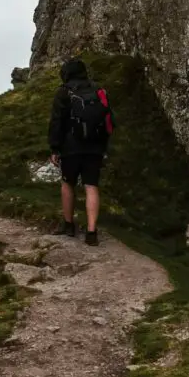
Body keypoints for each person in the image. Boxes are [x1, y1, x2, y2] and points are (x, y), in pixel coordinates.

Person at [47, 58, 115, 245]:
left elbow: (56, 122)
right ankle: (92, 233)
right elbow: (109, 120)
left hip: (71, 148)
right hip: (95, 147)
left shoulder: (64, 92)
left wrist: (54, 147)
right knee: (91, 186)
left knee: (67, 184)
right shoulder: (98, 90)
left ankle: (69, 225)